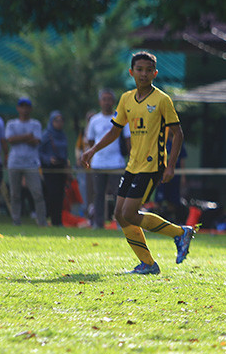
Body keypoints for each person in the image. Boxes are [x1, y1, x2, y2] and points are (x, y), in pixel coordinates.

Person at [80, 52, 195, 274]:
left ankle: (180, 233)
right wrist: (92, 150)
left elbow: (178, 134)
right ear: (131, 72)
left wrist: (171, 165)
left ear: (155, 73)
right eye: (139, 69)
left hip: (152, 166)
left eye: (148, 70)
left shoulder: (162, 99)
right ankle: (148, 264)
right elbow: (115, 131)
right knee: (119, 215)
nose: (144, 74)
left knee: (130, 213)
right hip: (132, 165)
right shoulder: (126, 99)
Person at [84, 89, 129, 228]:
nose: (107, 102)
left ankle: (120, 224)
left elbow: (128, 139)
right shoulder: (94, 120)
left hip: (116, 163)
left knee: (119, 195)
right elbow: (90, 141)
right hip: (99, 164)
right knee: (98, 195)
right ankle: (98, 224)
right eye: (104, 99)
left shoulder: (120, 117)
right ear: (100, 101)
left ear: (114, 101)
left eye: (109, 99)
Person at [4, 97, 47, 226]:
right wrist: (27, 137)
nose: (24, 109)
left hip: (31, 163)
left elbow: (36, 141)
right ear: (18, 108)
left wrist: (19, 138)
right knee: (15, 194)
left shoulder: (36, 124)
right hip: (14, 162)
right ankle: (16, 220)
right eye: (22, 106)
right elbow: (10, 140)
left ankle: (42, 221)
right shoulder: (11, 124)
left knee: (37, 193)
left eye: (27, 106)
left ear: (30, 108)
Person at [40, 110, 70, 226]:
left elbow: (65, 152)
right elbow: (39, 152)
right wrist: (48, 159)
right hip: (50, 169)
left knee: (60, 195)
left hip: (61, 168)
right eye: (56, 120)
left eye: (61, 120)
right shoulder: (46, 134)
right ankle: (49, 219)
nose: (59, 123)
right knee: (51, 194)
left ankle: (58, 221)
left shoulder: (63, 135)